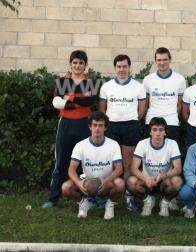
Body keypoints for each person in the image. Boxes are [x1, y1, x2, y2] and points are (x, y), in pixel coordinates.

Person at [43, 50, 98, 209]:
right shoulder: (62, 81)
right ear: (70, 64)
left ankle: (91, 197)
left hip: (84, 123)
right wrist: (75, 101)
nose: (77, 65)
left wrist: (68, 98)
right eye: (75, 62)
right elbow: (55, 103)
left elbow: (88, 101)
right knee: (61, 162)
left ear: (85, 65)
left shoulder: (91, 83)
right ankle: (53, 198)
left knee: (86, 162)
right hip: (66, 123)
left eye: (81, 63)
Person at [99, 54, 147, 210]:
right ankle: (109, 195)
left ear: (129, 67)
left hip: (131, 127)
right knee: (111, 165)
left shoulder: (138, 87)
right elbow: (102, 109)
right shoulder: (106, 87)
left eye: (125, 66)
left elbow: (141, 110)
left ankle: (128, 196)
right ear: (115, 68)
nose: (122, 69)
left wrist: (131, 119)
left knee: (127, 164)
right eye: (119, 66)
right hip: (112, 127)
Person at [61, 111, 124, 220]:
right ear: (90, 127)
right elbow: (71, 169)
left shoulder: (113, 144)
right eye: (94, 125)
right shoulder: (80, 145)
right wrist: (78, 183)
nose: (97, 128)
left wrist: (106, 180)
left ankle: (110, 204)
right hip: (87, 181)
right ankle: (83, 203)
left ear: (105, 128)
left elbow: (119, 169)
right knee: (66, 187)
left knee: (120, 184)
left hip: (106, 181)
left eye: (100, 125)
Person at [127, 117, 183, 217]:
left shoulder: (172, 144)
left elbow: (178, 168)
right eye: (154, 130)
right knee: (131, 181)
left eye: (161, 130)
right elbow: (134, 168)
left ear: (165, 133)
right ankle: (148, 201)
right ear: (150, 132)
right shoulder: (142, 144)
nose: (158, 133)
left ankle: (165, 203)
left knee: (177, 181)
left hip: (164, 181)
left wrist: (164, 176)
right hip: (147, 181)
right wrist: (146, 178)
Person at [143, 47, 186, 142]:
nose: (162, 63)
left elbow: (179, 105)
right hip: (151, 121)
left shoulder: (180, 79)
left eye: (165, 59)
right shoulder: (148, 79)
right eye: (159, 60)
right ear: (155, 61)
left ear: (170, 60)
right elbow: (145, 104)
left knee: (171, 152)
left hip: (171, 122)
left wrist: (174, 116)